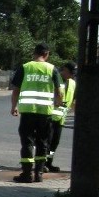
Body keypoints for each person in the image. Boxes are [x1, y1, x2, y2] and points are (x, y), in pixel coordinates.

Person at [10, 43, 63, 183]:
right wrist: (58, 102)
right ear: (46, 54)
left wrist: (14, 106)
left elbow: (15, 89)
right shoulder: (52, 69)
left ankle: (27, 174)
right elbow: (60, 91)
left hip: (27, 112)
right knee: (43, 142)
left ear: (34, 53)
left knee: (27, 141)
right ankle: (39, 174)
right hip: (45, 113)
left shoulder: (25, 67)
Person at [45, 61, 77, 173]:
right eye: (71, 72)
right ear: (64, 70)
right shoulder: (55, 80)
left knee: (54, 143)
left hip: (61, 118)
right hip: (50, 116)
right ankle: (42, 164)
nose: (72, 75)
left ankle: (49, 162)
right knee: (47, 141)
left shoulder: (73, 83)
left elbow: (73, 101)